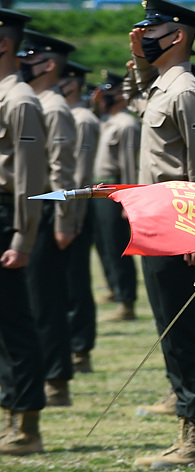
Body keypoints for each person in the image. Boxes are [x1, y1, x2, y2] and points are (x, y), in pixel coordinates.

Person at [127, 0, 195, 470]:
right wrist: (138, 61)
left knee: (185, 328)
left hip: (178, 220)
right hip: (155, 218)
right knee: (169, 323)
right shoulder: (164, 85)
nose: (143, 37)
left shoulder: (185, 90)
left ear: (177, 36)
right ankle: (187, 424)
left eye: (152, 30)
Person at [18, 33, 82, 409]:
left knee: (46, 300)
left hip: (44, 209)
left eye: (33, 56)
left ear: (49, 64)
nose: (25, 62)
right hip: (31, 205)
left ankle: (56, 378)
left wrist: (63, 218)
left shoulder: (53, 106)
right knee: (34, 298)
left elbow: (62, 167)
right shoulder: (39, 102)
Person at [0, 8, 48, 456]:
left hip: (8, 216)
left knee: (15, 322)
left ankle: (26, 423)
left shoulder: (19, 100)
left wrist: (21, 236)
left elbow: (30, 179)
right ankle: (9, 412)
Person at [92, 71, 140, 323]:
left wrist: (129, 199)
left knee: (118, 247)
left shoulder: (126, 124)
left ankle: (127, 302)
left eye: (108, 93)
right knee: (105, 246)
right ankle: (115, 290)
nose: (103, 98)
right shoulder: (107, 121)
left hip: (115, 193)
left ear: (121, 95)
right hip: (101, 192)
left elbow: (129, 164)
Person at [61, 62, 99, 375]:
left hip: (74, 209)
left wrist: (72, 216)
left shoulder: (82, 119)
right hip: (58, 208)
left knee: (76, 282)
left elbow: (81, 172)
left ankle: (80, 348)